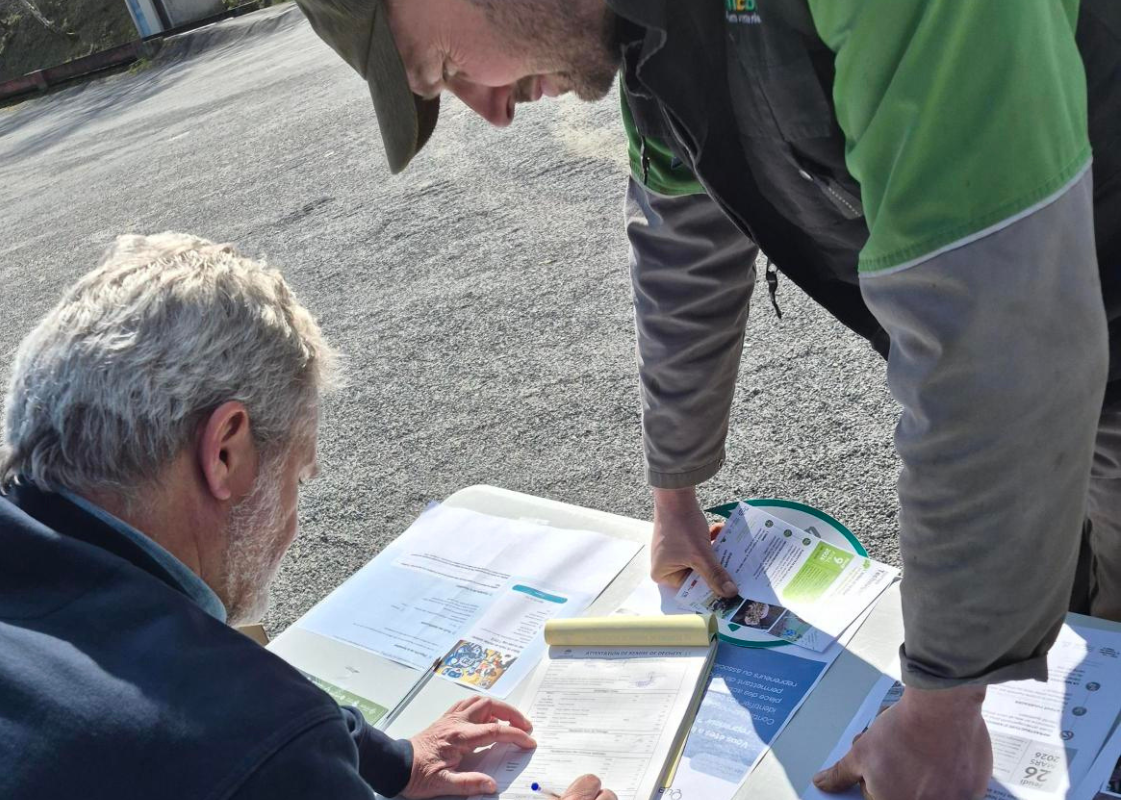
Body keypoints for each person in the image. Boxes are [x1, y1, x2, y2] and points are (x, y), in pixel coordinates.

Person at [295, 1, 1121, 798]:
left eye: (443, 67)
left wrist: (942, 711)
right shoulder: (646, 38)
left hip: (1084, 328)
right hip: (1060, 343)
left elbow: (995, 349)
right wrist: (674, 490)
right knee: (1068, 628)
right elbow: (684, 238)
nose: (492, 110)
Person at [0, 233, 614, 800]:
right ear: (225, 452)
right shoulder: (242, 743)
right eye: (298, 476)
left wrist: (389, 758)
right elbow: (239, 736)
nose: (292, 522)